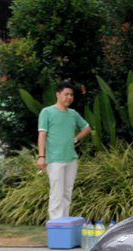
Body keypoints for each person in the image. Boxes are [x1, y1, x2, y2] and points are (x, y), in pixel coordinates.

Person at [37, 80, 91, 220]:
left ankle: (64, 224)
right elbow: (42, 134)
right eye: (66, 94)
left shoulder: (73, 114)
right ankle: (56, 225)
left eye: (71, 95)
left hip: (71, 159)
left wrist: (75, 139)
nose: (69, 97)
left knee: (67, 193)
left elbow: (86, 128)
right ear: (58, 94)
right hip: (54, 159)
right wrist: (41, 156)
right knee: (56, 194)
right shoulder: (47, 112)